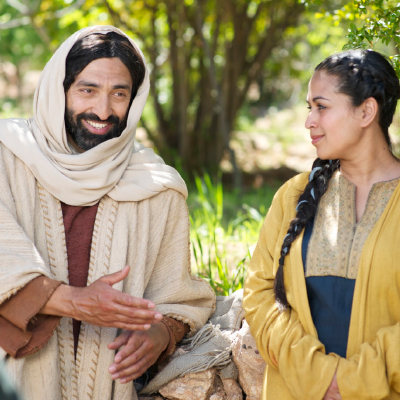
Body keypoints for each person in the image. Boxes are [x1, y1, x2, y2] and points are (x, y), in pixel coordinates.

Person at [0, 25, 215, 400]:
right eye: (87, 90)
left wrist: (160, 334)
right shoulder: (6, 156)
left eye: (119, 93)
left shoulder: (158, 188)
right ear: (58, 90)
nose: (103, 110)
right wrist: (73, 301)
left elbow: (181, 297)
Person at [243, 49, 400, 400]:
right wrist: (316, 375)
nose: (309, 121)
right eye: (308, 109)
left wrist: (355, 380)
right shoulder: (293, 196)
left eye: (322, 107)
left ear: (366, 111)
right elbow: (259, 294)